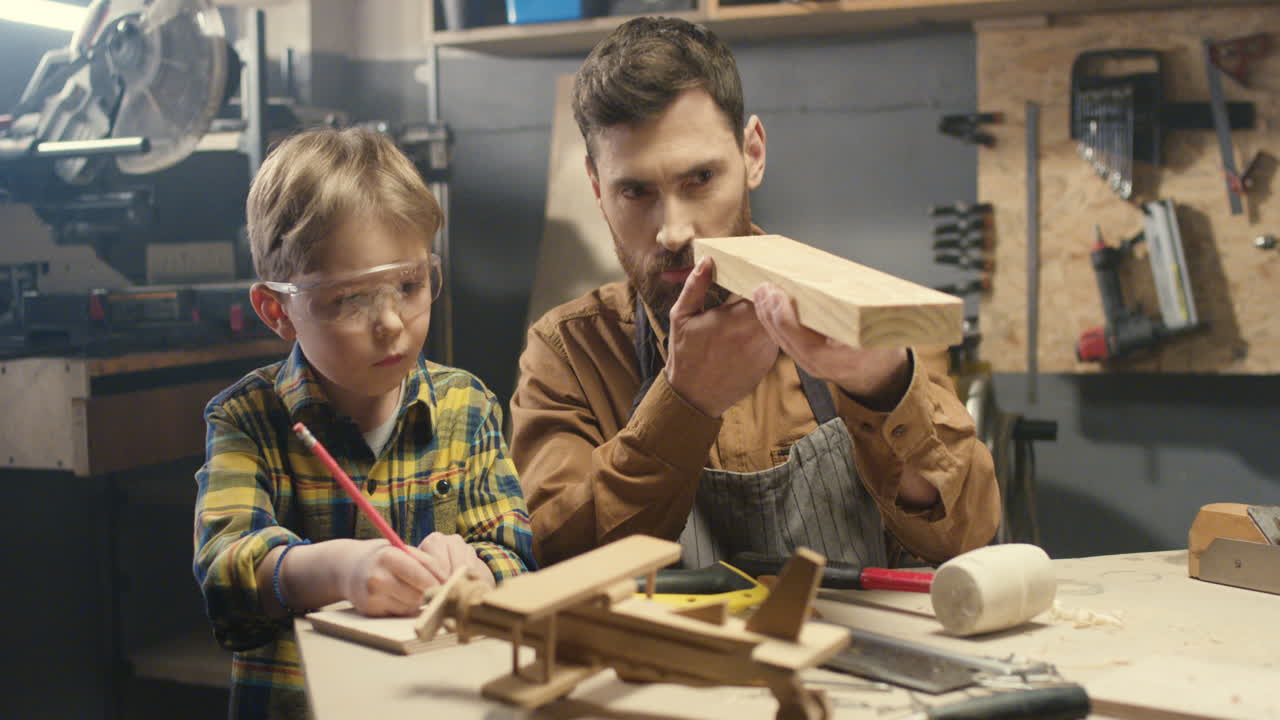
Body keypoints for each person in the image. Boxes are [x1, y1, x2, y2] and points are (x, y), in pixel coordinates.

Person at [510, 16, 1000, 570]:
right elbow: (553, 560)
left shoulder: (866, 316)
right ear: (598, 190)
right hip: (661, 656)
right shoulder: (568, 353)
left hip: (847, 653)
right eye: (635, 191)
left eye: (700, 179)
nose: (674, 231)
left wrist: (882, 384)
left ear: (753, 155)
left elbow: (967, 538)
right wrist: (684, 402)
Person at [193, 127, 535, 719]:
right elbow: (227, 573)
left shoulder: (468, 407)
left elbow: (515, 556)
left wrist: (476, 568)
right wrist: (340, 568)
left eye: (409, 285)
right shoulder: (247, 420)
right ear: (279, 310)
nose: (392, 324)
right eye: (350, 299)